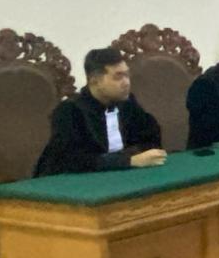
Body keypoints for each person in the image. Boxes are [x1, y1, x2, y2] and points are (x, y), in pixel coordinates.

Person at [34, 48, 167, 176]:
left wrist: (138, 154)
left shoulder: (127, 103)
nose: (126, 83)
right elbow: (71, 160)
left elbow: (150, 136)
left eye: (127, 75)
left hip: (117, 177)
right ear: (95, 81)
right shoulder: (70, 111)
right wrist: (128, 161)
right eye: (118, 77)